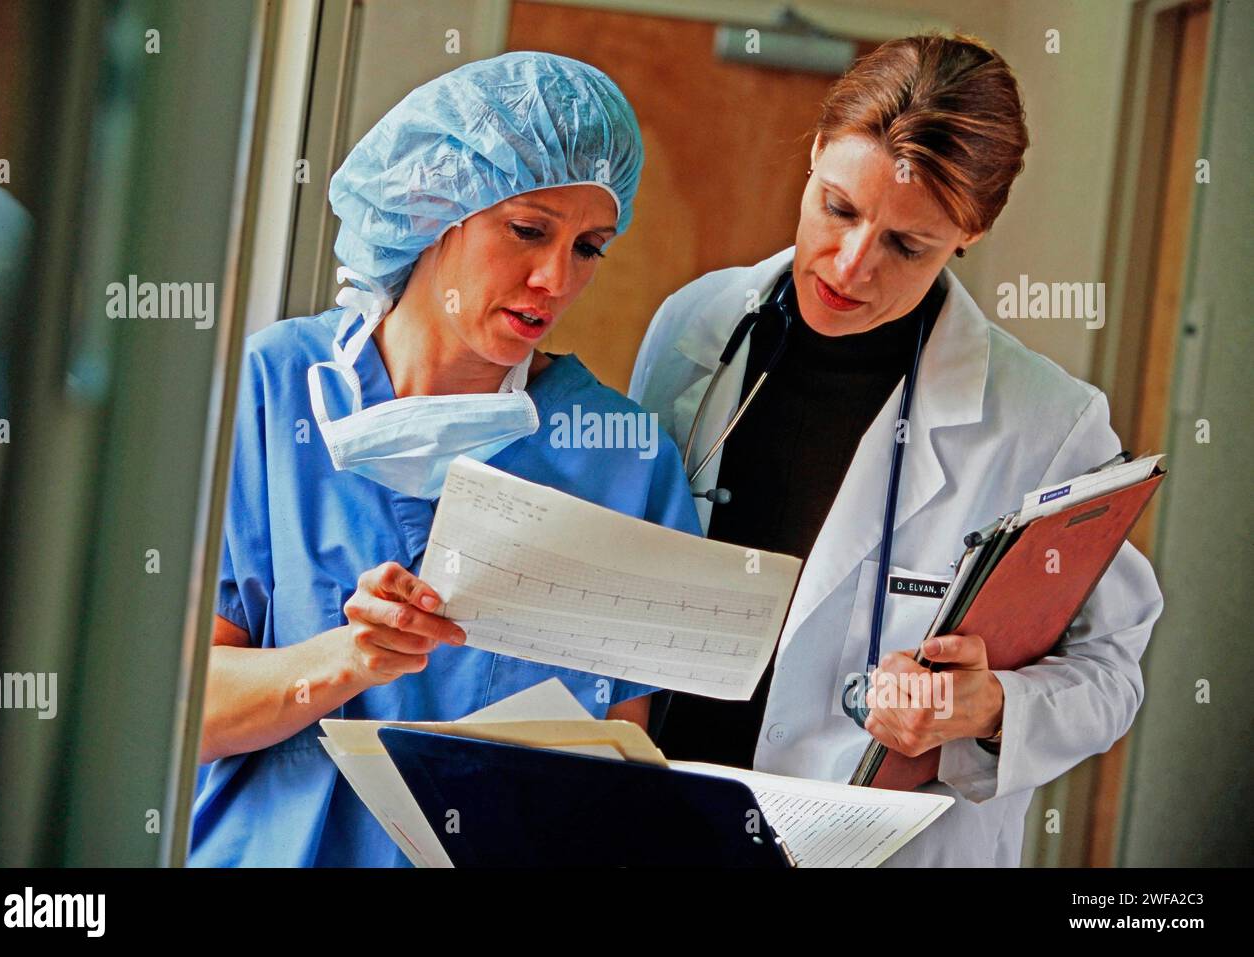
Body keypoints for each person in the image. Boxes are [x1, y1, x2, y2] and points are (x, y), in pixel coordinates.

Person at [628, 33, 1163, 866]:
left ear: (970, 234)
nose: (850, 265)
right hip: (662, 819)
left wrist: (988, 708)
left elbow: (1111, 672)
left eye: (907, 246)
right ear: (812, 156)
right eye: (838, 208)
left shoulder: (1045, 424)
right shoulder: (692, 327)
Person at [190, 51, 701, 867]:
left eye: (589, 247)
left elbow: (614, 773)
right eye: (529, 230)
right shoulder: (277, 390)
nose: (554, 279)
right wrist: (347, 658)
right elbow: (180, 715)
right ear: (435, 204)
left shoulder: (625, 461)